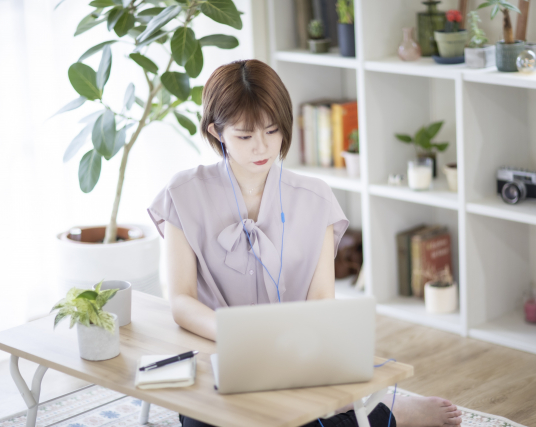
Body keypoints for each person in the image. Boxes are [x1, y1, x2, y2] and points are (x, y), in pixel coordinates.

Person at [147, 59, 462, 427]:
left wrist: (289, 349)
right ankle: (384, 417)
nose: (262, 147)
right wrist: (236, 336)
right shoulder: (183, 194)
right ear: (217, 132)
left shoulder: (315, 199)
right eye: (245, 136)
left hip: (294, 359)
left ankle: (390, 412)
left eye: (272, 130)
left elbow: (321, 306)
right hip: (217, 356)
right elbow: (181, 300)